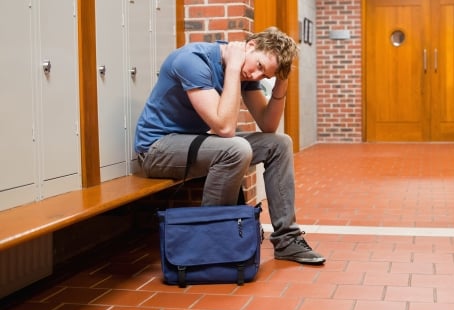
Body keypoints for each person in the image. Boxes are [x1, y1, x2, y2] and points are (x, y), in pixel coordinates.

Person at [134, 27, 325, 265]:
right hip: (157, 150)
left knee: (280, 143)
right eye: (259, 67)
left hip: (195, 145)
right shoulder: (193, 61)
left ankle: (287, 240)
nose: (256, 76)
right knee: (236, 148)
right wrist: (233, 70)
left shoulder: (246, 72)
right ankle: (211, 241)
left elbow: (268, 126)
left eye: (265, 76)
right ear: (252, 45)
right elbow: (225, 129)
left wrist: (281, 84)